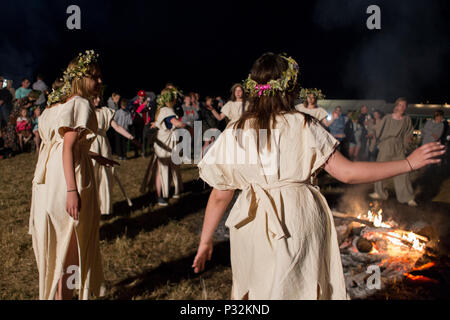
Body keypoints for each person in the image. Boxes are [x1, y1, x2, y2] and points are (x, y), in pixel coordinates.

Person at [191, 53, 444, 300]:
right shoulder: (303, 124)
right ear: (291, 88)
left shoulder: (236, 130)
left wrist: (205, 242)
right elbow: (348, 173)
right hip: (297, 218)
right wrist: (409, 163)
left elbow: (220, 195)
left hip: (250, 223)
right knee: (296, 288)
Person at [29, 50, 117, 300]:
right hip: (69, 179)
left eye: (100, 77)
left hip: (50, 180)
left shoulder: (57, 105)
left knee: (61, 247)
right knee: (72, 247)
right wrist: (72, 190)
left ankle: (60, 295)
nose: (99, 82)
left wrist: (94, 156)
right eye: (94, 77)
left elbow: (61, 145)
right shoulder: (80, 103)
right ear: (80, 78)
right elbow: (67, 146)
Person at [369, 98, 418, 207]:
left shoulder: (406, 120)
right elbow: (377, 129)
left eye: (404, 105)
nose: (402, 107)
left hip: (398, 146)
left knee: (403, 171)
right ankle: (379, 192)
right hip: (386, 145)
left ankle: (407, 197)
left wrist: (409, 139)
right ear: (396, 106)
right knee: (379, 169)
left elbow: (408, 133)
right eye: (400, 105)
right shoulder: (387, 118)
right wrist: (371, 131)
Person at [91, 96, 136, 214]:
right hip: (90, 145)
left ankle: (104, 207)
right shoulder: (85, 110)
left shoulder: (105, 111)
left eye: (98, 97)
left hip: (103, 144)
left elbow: (117, 127)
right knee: (91, 175)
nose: (97, 99)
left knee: (105, 175)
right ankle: (90, 206)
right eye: (94, 97)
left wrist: (131, 137)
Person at [151, 87, 186, 206]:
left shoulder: (162, 109)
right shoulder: (167, 111)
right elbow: (175, 122)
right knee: (163, 169)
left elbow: (160, 122)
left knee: (169, 168)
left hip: (167, 142)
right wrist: (185, 125)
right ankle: (161, 195)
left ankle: (169, 192)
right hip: (165, 143)